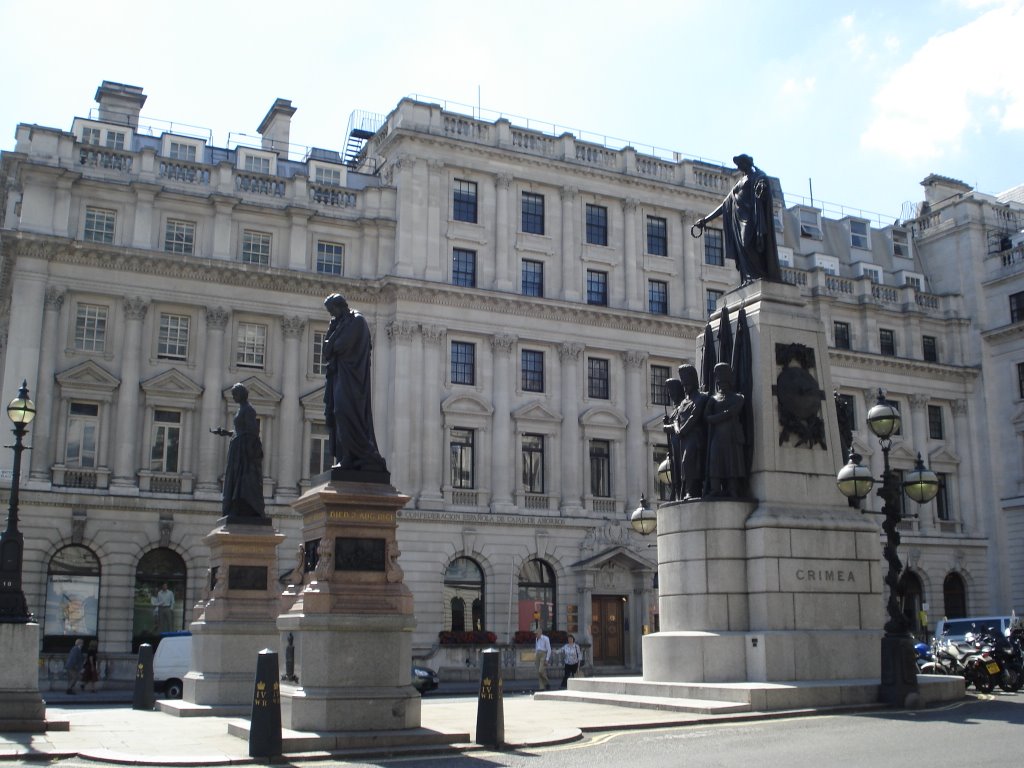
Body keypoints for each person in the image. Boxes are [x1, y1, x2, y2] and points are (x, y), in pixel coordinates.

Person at [322, 293, 388, 473]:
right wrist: (333, 333)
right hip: (339, 376)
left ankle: (356, 455)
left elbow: (340, 346)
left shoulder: (357, 321)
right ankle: (346, 456)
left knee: (345, 412)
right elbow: (326, 352)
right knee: (337, 414)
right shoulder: (339, 323)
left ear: (340, 306)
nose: (331, 315)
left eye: (332, 310)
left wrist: (333, 338)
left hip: (353, 380)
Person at [695, 154, 782, 286]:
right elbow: (725, 204)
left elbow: (763, 187)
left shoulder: (758, 176)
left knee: (749, 244)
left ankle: (759, 275)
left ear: (746, 163)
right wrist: (705, 220)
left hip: (752, 219)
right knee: (743, 248)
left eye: (740, 164)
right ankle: (749, 277)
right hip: (739, 221)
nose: (739, 167)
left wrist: (762, 189)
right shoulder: (740, 182)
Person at [211, 383, 265, 517]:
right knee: (234, 478)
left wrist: (246, 449)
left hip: (243, 450)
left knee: (242, 479)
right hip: (238, 446)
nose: (233, 397)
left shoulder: (248, 409)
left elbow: (253, 431)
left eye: (235, 394)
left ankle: (241, 504)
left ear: (241, 394)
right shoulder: (241, 409)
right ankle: (234, 505)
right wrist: (226, 432)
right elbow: (240, 430)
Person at [704, 362, 746, 498]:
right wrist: (726, 414)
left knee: (732, 462)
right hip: (717, 436)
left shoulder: (738, 398)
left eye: (724, 382)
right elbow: (707, 417)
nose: (722, 385)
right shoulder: (713, 399)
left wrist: (720, 416)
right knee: (715, 461)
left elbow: (737, 409)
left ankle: (732, 488)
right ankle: (715, 488)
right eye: (720, 382)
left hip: (732, 436)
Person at [674, 364, 709, 500]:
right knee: (683, 464)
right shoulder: (683, 402)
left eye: (687, 383)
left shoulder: (701, 398)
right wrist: (678, 430)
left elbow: (695, 416)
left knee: (688, 460)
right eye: (683, 384)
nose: (685, 386)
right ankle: (687, 490)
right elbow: (677, 418)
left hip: (696, 436)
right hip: (683, 438)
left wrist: (682, 430)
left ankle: (691, 490)